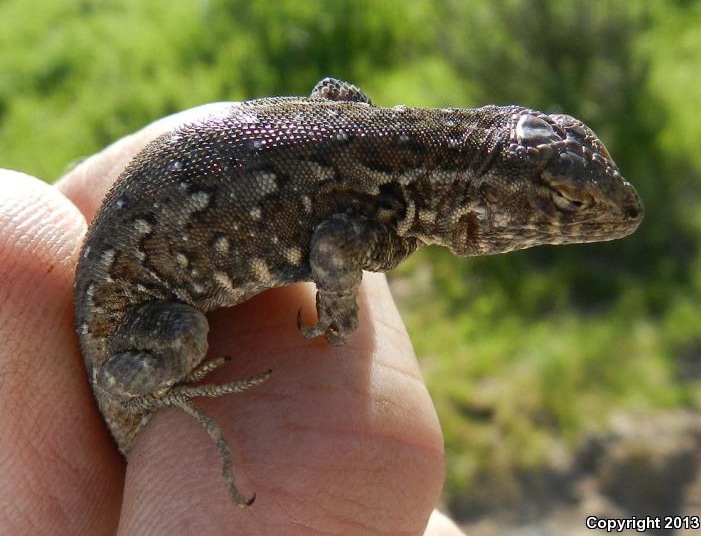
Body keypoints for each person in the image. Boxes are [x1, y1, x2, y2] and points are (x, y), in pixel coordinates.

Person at [0, 104, 465, 535]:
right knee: (184, 337)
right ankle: (153, 389)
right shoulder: (386, 206)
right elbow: (333, 247)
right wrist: (338, 307)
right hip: (126, 316)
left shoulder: (381, 148)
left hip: (158, 207)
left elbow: (333, 96)